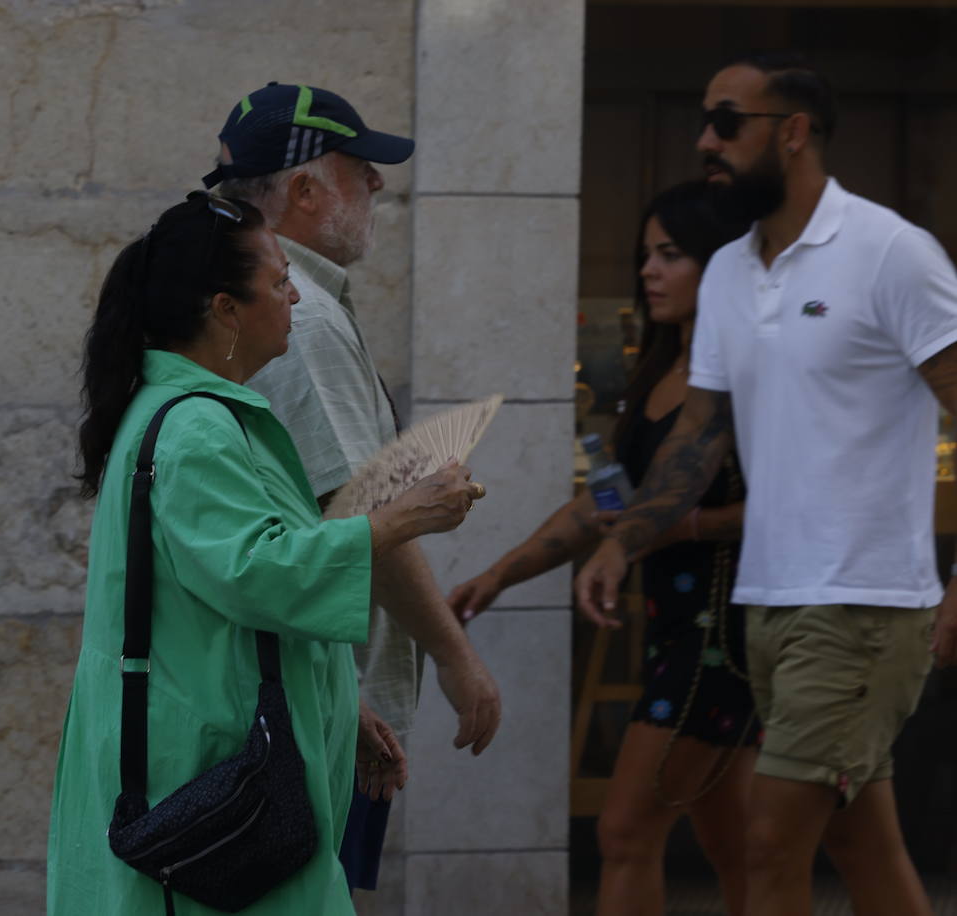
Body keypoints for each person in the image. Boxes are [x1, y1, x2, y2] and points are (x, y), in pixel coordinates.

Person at [576, 52, 957, 916]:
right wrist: (620, 539)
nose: (706, 140)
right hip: (766, 605)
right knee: (862, 840)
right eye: (704, 122)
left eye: (726, 122)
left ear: (793, 134)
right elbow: (700, 437)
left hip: (861, 604)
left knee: (769, 839)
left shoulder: (891, 252)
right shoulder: (734, 276)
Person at [46, 192, 492, 915]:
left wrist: (341, 706)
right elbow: (260, 572)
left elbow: (234, 590)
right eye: (280, 281)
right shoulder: (196, 429)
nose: (293, 297)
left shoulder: (202, 414)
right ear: (225, 308)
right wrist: (399, 519)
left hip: (221, 754)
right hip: (205, 778)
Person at [204, 81, 503, 893]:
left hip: (320, 699)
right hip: (308, 713)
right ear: (302, 190)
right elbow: (364, 517)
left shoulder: (275, 310)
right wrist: (455, 656)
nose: (377, 183)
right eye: (358, 166)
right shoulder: (299, 321)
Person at [448, 180, 757, 915]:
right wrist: (500, 573)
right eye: (645, 254)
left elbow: (790, 505)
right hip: (676, 628)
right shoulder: (655, 372)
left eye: (671, 254)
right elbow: (609, 500)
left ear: (722, 266)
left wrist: (680, 529)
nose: (649, 270)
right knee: (739, 844)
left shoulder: (746, 375)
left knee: (625, 830)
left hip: (726, 635)